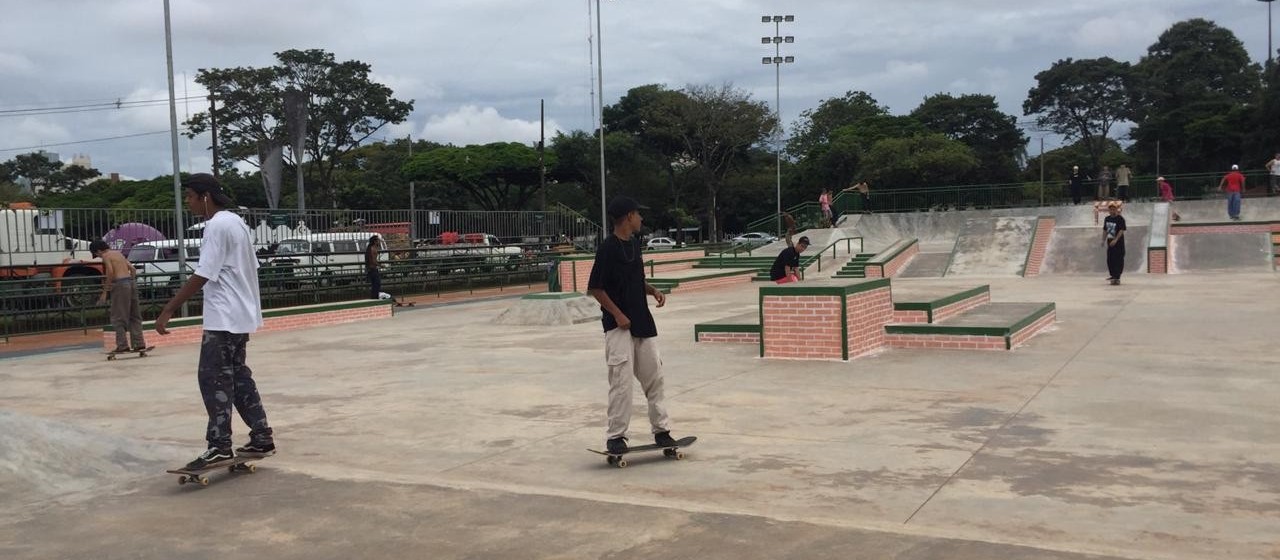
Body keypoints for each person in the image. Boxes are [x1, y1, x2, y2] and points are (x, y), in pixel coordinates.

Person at [155, 173, 275, 471]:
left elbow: (203, 273)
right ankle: (261, 436)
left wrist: (169, 308)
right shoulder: (237, 223)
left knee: (213, 379)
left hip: (223, 317)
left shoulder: (216, 225)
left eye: (190, 197)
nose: (188, 202)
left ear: (204, 197)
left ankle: (219, 445)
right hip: (241, 315)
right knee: (238, 375)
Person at [586, 196, 680, 456]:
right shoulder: (607, 248)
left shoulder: (635, 246)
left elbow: (636, 280)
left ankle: (662, 431)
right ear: (628, 217)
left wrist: (652, 290)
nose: (641, 219)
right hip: (619, 327)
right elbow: (595, 288)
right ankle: (616, 437)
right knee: (622, 381)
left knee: (655, 378)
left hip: (642, 321)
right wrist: (617, 315)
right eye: (638, 214)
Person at [91, 239, 147, 353]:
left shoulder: (106, 255)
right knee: (134, 315)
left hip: (120, 285)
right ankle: (139, 343)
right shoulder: (118, 253)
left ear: (98, 251)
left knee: (118, 316)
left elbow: (110, 272)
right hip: (131, 283)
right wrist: (131, 281)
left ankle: (122, 345)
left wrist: (105, 292)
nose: (99, 257)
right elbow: (132, 269)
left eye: (96, 255)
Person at [769, 213, 809, 284]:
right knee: (793, 279)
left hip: (783, 275)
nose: (803, 249)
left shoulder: (797, 254)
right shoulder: (790, 252)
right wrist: (790, 282)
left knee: (795, 279)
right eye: (802, 246)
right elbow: (787, 268)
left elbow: (796, 268)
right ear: (797, 244)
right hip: (777, 276)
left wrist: (800, 282)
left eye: (805, 247)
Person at [1102, 202, 1126, 285]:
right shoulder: (1107, 219)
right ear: (1109, 210)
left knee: (1118, 259)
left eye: (1114, 209)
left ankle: (1117, 277)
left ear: (1116, 210)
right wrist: (1103, 240)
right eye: (1111, 209)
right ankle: (1113, 275)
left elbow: (1121, 230)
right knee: (1110, 259)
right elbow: (1105, 230)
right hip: (1110, 242)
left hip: (1118, 243)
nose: (1112, 211)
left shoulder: (1120, 219)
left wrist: (1115, 240)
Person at [365, 234, 382, 300]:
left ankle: (375, 297)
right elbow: (373, 260)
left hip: (372, 268)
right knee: (376, 284)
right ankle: (374, 297)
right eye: (378, 240)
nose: (379, 241)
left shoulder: (372, 248)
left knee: (375, 284)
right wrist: (380, 265)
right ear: (375, 241)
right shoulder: (372, 249)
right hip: (372, 268)